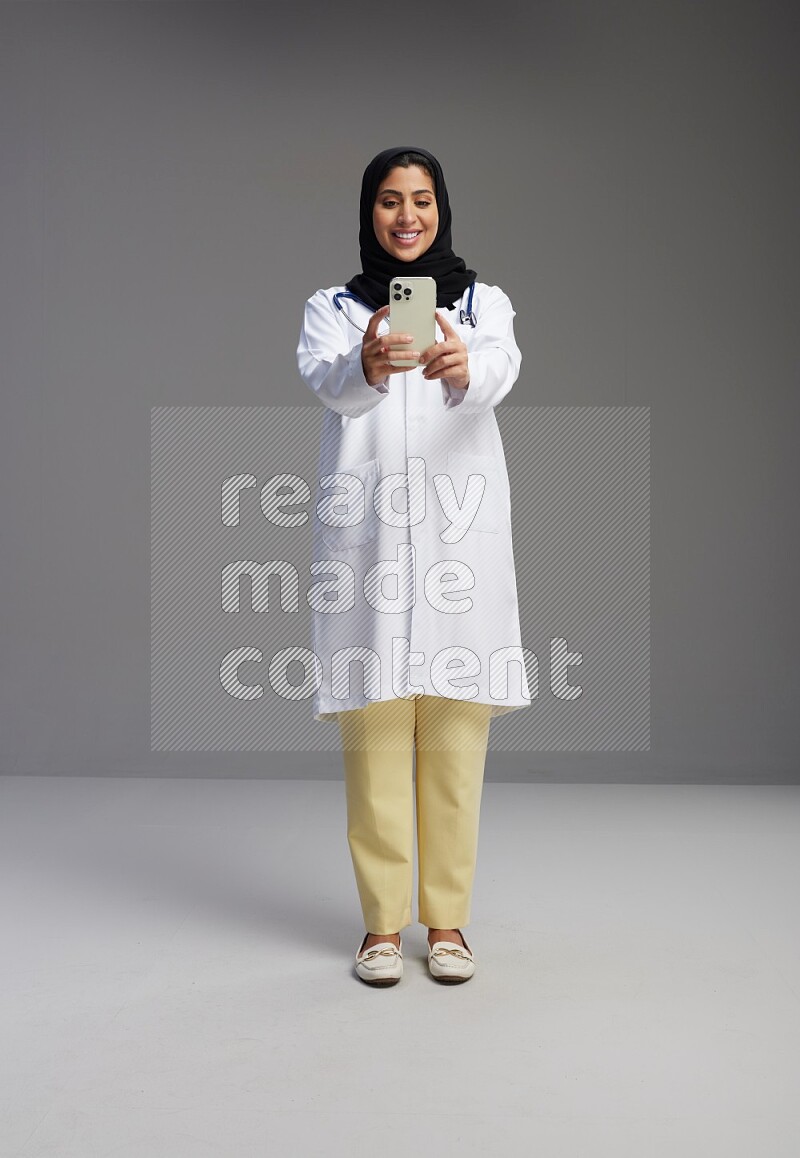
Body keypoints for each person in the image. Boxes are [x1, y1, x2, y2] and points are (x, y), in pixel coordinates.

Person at [296, 146, 531, 985]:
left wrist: (467, 367)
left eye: (422, 200)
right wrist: (365, 363)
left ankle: (450, 923)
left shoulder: (480, 302)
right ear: (369, 213)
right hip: (371, 549)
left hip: (457, 545)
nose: (406, 216)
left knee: (456, 745)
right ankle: (381, 929)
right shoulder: (333, 307)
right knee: (377, 740)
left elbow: (501, 367)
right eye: (390, 201)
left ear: (442, 209)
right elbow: (325, 380)